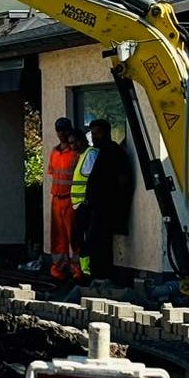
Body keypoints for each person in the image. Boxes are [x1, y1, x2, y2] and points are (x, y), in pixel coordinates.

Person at [83, 118, 134, 282]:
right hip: (97, 207)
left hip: (107, 208)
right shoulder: (102, 152)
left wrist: (115, 205)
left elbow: (123, 182)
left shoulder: (114, 152)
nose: (94, 138)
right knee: (95, 241)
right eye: (92, 134)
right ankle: (98, 276)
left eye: (97, 134)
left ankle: (103, 276)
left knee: (100, 243)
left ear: (106, 133)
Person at [47, 117, 78, 280]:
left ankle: (77, 269)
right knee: (58, 236)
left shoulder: (75, 153)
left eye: (64, 129)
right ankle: (60, 267)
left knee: (74, 235)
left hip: (70, 198)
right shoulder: (54, 151)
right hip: (57, 198)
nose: (62, 133)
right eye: (59, 130)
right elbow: (53, 173)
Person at [69, 126, 97, 280]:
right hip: (79, 206)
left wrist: (87, 201)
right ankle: (84, 270)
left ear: (83, 140)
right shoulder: (83, 156)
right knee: (78, 239)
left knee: (83, 239)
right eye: (71, 143)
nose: (73, 146)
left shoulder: (90, 155)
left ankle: (87, 272)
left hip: (85, 205)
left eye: (75, 142)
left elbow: (94, 180)